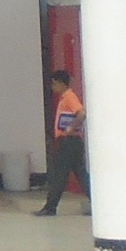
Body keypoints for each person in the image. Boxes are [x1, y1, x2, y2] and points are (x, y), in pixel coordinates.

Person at [35, 68, 90, 215]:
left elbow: (82, 113)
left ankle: (50, 207)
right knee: (81, 174)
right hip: (74, 142)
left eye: (54, 84)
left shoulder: (69, 97)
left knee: (59, 175)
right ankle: (98, 203)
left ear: (61, 83)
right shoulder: (65, 98)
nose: (53, 88)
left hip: (68, 142)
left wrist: (70, 128)